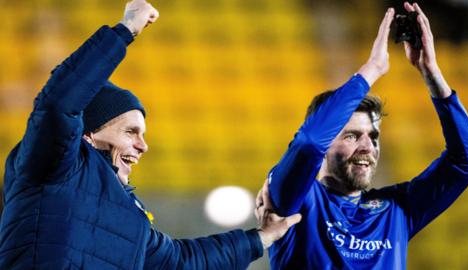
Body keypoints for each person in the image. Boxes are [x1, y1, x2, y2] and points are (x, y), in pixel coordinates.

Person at [0, 1, 302, 269]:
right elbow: (58, 104)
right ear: (88, 133)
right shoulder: (56, 165)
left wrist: (260, 238)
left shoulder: (133, 216)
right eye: (131, 131)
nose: (143, 146)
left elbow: (181, 261)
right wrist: (125, 30)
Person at [255, 2, 468, 269]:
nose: (367, 147)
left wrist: (432, 74)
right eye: (352, 136)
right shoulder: (296, 201)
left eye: (373, 137)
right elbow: (309, 143)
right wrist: (372, 70)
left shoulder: (397, 210)